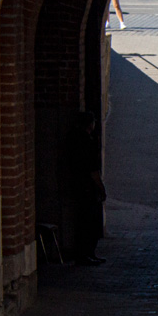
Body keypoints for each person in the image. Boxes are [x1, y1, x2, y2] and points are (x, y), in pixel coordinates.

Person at [67, 111, 106, 265]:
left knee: (82, 221)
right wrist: (101, 188)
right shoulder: (87, 142)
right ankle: (87, 254)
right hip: (88, 188)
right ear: (90, 125)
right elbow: (93, 170)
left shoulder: (74, 139)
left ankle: (85, 254)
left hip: (78, 185)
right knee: (90, 222)